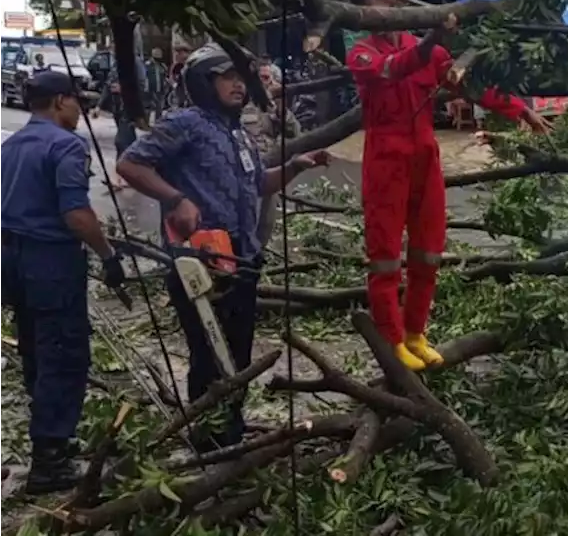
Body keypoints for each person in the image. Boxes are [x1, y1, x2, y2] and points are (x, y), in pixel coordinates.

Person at [116, 44, 329, 450]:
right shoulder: (184, 123)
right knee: (209, 355)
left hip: (243, 259)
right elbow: (130, 164)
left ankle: (230, 427)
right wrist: (176, 199)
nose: (238, 85)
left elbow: (257, 185)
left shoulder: (240, 134)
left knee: (238, 353)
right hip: (201, 262)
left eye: (240, 78)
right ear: (203, 82)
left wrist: (294, 167)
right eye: (227, 77)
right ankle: (209, 437)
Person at [345, 0, 552, 371]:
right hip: (385, 159)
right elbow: (398, 67)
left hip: (425, 154)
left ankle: (415, 333)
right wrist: (431, 39)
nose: (385, 12)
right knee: (385, 256)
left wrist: (520, 109)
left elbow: (473, 89)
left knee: (428, 250)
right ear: (362, 16)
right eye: (375, 6)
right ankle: (391, 340)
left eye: (389, 3)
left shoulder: (431, 52)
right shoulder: (362, 55)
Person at [0, 71, 125, 494]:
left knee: (36, 349)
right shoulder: (67, 145)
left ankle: (50, 439)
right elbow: (77, 215)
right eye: (77, 101)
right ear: (58, 102)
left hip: (12, 261)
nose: (81, 108)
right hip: (50, 262)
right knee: (64, 354)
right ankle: (50, 462)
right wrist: (109, 256)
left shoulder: (11, 146)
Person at [241, 59, 302, 246]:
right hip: (243, 172)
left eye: (269, 78)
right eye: (262, 78)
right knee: (243, 221)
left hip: (269, 171)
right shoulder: (240, 101)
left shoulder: (275, 106)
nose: (266, 82)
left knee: (266, 222)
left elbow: (295, 133)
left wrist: (282, 111)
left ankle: (258, 256)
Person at [92, 52, 148, 191]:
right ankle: (134, 175)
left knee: (121, 141)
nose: (113, 50)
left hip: (129, 108)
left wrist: (124, 89)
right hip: (117, 108)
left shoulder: (135, 63)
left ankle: (120, 177)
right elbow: (107, 85)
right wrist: (99, 106)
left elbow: (142, 84)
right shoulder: (116, 64)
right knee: (129, 142)